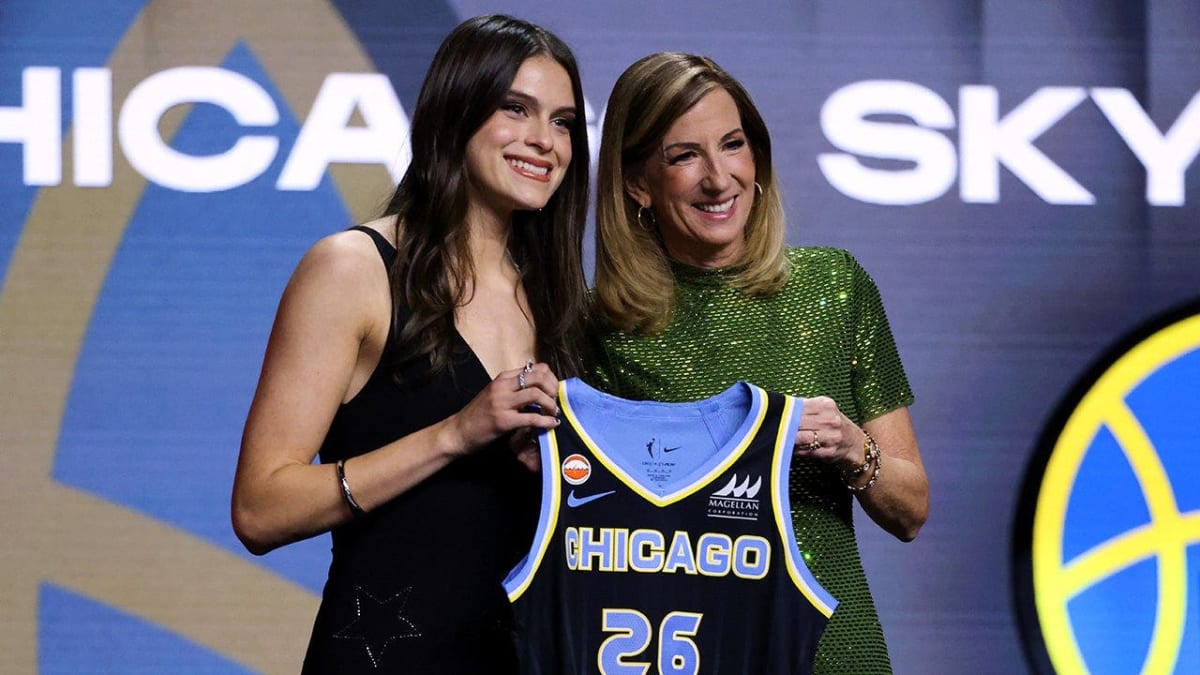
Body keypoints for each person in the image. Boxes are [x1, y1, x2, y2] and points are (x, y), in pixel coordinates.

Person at [230, 15, 589, 674]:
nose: (545, 140)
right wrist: (454, 434)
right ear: (456, 111)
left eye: (563, 122)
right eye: (516, 109)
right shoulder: (352, 270)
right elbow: (259, 508)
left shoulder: (560, 299)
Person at [586, 52, 929, 674]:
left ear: (757, 158)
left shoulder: (834, 285)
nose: (719, 179)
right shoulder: (601, 328)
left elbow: (911, 513)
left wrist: (851, 447)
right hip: (685, 650)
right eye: (684, 156)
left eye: (733, 145)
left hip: (834, 652)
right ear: (638, 184)